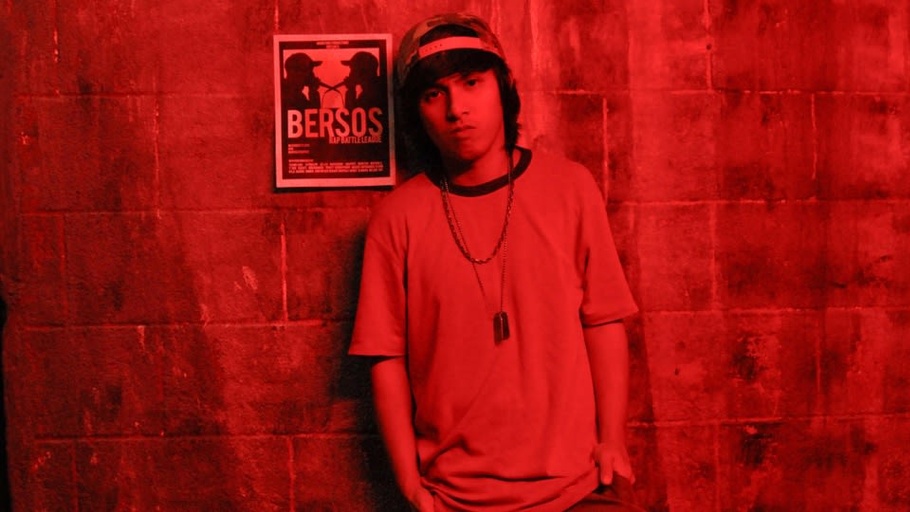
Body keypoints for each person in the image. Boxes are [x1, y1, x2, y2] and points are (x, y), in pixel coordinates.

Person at [349, 13, 643, 512]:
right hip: (455, 498)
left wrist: (612, 439)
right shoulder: (397, 218)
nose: (456, 109)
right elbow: (385, 358)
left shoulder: (571, 188)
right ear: (417, 111)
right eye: (434, 94)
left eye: (471, 83)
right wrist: (410, 484)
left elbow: (604, 320)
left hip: (574, 488)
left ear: (503, 85)